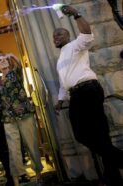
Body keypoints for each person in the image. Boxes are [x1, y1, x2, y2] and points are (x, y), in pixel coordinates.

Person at [53, 5, 123, 185]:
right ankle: (113, 176)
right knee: (99, 135)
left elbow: (87, 34)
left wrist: (76, 14)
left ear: (68, 36)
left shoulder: (75, 45)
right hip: (77, 94)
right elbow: (64, 83)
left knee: (83, 133)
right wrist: (60, 101)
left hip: (87, 91)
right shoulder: (61, 59)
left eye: (59, 34)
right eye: (54, 36)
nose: (56, 37)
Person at [0, 53, 43, 186]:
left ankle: (38, 174)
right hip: (8, 117)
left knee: (31, 144)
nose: (3, 61)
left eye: (4, 59)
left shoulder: (15, 72)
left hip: (24, 114)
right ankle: (16, 179)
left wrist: (13, 56)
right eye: (0, 61)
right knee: (13, 148)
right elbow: (1, 95)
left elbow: (20, 65)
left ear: (8, 62)